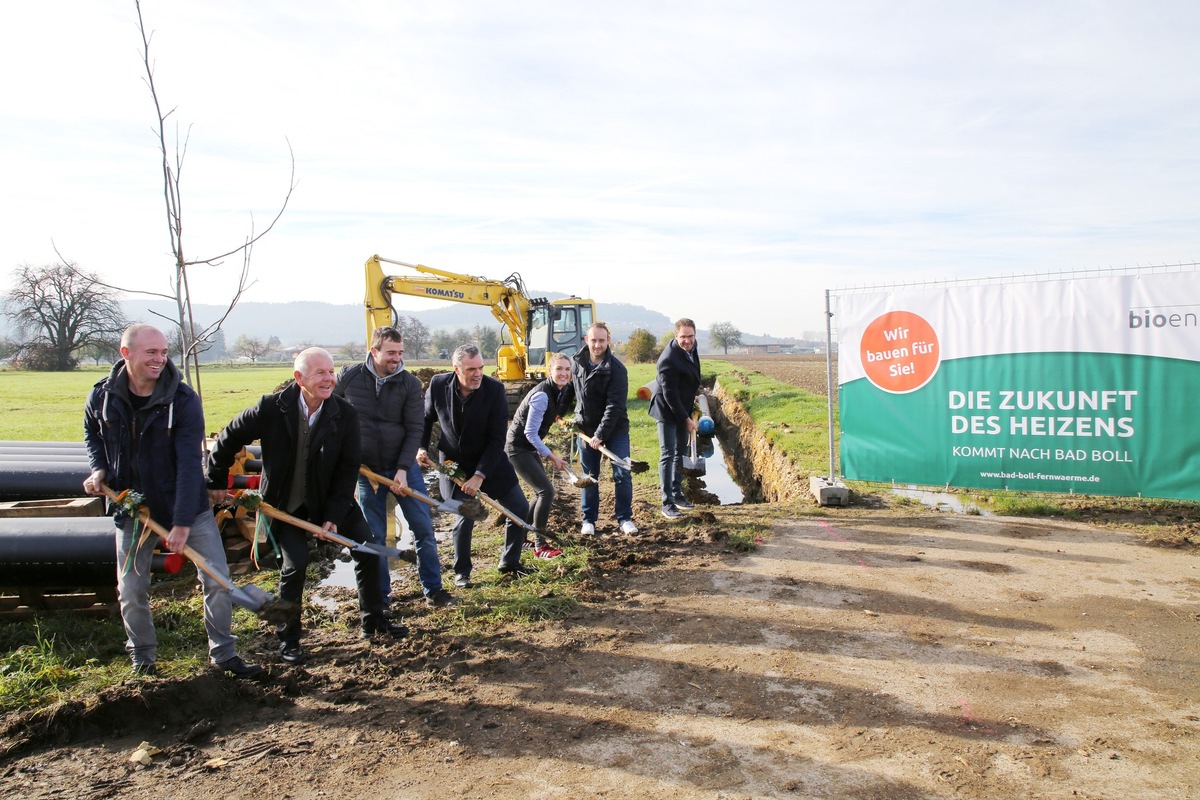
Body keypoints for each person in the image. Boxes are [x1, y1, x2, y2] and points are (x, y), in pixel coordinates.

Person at [206, 347, 408, 666]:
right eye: (321, 373)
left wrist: (332, 516)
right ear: (299, 377)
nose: (329, 379)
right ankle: (289, 639)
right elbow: (230, 436)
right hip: (287, 505)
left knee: (368, 548)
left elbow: (347, 467)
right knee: (295, 565)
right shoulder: (271, 408)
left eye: (331, 372)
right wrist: (216, 478)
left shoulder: (344, 413)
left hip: (331, 499)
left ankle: (374, 622)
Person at [83, 323, 262, 678]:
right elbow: (92, 432)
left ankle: (224, 655)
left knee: (216, 579)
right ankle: (143, 661)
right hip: (133, 508)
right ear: (126, 354)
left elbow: (186, 465)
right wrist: (99, 468)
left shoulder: (181, 399)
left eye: (164, 352)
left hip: (188, 508)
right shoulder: (102, 395)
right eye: (152, 352)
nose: (160, 359)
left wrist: (180, 523)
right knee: (131, 588)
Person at [335, 327, 456, 608]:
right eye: (391, 353)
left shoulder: (410, 384)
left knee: (423, 529)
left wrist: (403, 469)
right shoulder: (349, 377)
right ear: (374, 351)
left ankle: (434, 590)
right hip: (367, 473)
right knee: (376, 535)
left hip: (402, 467)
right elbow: (334, 415)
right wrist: (348, 463)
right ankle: (381, 598)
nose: (397, 359)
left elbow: (414, 428)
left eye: (400, 353)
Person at [418, 344, 532, 587]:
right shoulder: (438, 386)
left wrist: (480, 475)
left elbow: (496, 439)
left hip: (489, 461)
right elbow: (425, 420)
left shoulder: (494, 390)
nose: (478, 373)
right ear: (456, 369)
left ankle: (510, 562)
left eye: (481, 367)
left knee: (519, 508)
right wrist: (420, 447)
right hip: (454, 465)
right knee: (465, 515)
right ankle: (462, 572)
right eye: (471, 369)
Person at [504, 352, 575, 558]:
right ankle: (540, 546)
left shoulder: (558, 391)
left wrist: (563, 422)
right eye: (559, 369)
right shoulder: (543, 394)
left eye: (567, 369)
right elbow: (529, 433)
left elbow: (552, 415)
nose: (563, 373)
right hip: (517, 448)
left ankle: (523, 537)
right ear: (549, 371)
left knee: (540, 492)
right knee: (546, 492)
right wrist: (552, 457)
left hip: (527, 447)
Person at [571, 322, 637, 536]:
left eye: (601, 340)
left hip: (614, 429)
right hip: (586, 429)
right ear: (586, 341)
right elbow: (569, 392)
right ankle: (588, 519)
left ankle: (625, 518)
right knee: (589, 477)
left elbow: (614, 406)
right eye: (593, 340)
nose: (597, 345)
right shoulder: (576, 364)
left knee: (622, 474)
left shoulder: (617, 369)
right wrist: (559, 412)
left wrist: (600, 434)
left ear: (608, 340)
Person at [649, 318, 702, 518]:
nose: (687, 341)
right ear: (675, 336)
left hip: (683, 406)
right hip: (666, 410)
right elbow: (670, 394)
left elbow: (691, 376)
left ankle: (677, 494)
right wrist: (686, 419)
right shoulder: (668, 360)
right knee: (668, 453)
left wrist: (692, 401)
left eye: (690, 336)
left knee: (681, 451)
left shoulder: (692, 349)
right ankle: (667, 503)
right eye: (683, 337)